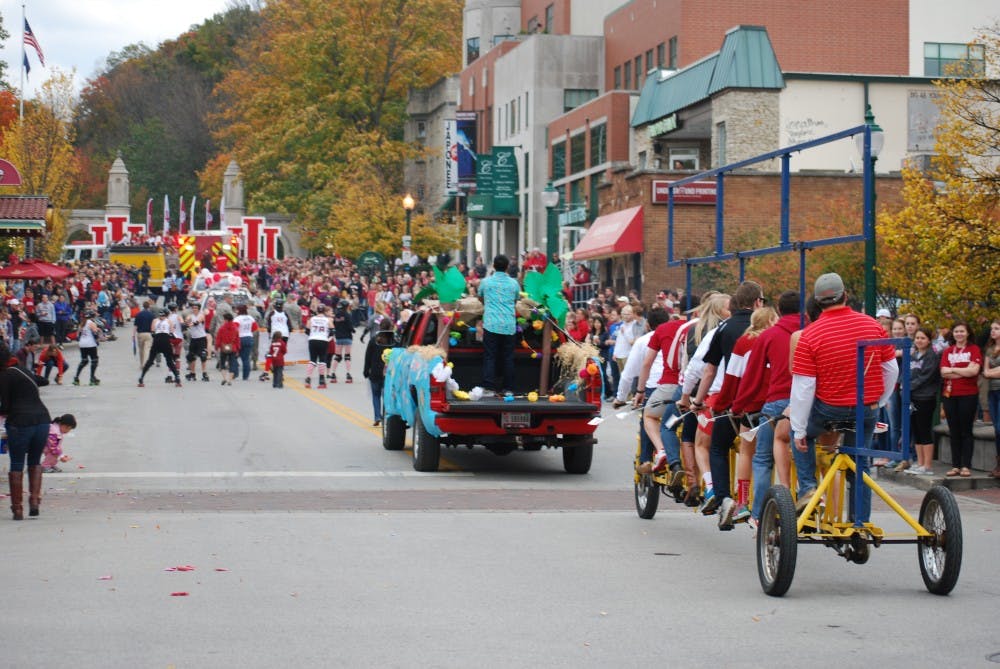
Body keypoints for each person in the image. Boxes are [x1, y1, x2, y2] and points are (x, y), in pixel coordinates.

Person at [789, 273, 897, 525]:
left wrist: (799, 429)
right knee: (860, 465)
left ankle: (808, 488)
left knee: (802, 435)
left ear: (818, 302)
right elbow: (891, 370)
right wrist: (879, 401)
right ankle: (860, 523)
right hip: (866, 409)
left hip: (829, 409)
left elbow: (804, 387)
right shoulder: (873, 326)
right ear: (845, 296)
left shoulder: (810, 335)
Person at [692, 281, 766, 528]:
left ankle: (725, 497)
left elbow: (710, 369)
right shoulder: (767, 329)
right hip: (769, 402)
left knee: (718, 446)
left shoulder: (724, 328)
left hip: (736, 400)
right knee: (761, 453)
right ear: (757, 302)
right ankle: (756, 502)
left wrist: (702, 401)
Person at [732, 290, 801, 526]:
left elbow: (752, 375)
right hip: (807, 401)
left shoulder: (769, 335)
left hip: (777, 401)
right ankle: (809, 499)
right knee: (807, 453)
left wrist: (738, 405)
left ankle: (759, 513)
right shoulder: (812, 332)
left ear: (779, 310)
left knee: (762, 458)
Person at [0, 340, 52, 520]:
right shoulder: (23, 369)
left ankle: (17, 509)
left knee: (16, 463)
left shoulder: (5, 375)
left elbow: (5, 406)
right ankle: (34, 501)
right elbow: (42, 382)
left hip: (20, 423)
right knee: (35, 461)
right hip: (43, 420)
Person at [939, 321, 982, 478]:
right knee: (954, 430)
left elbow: (974, 372)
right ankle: (955, 465)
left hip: (968, 394)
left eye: (962, 331)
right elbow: (943, 372)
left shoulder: (974, 349)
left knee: (966, 430)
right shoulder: (948, 351)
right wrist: (964, 371)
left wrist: (952, 370)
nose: (959, 334)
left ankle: (966, 465)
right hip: (950, 395)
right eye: (956, 331)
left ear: (968, 333)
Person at [478, 254, 520, 396]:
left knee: (490, 356)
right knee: (508, 357)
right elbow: (515, 300)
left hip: (491, 323)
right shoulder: (514, 283)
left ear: (494, 266)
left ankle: (489, 387)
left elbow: (480, 297)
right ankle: (508, 388)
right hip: (509, 325)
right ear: (507, 267)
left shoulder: (486, 282)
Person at [904, 326, 941, 475]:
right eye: (917, 338)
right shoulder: (913, 354)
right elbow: (906, 372)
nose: (919, 340)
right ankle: (919, 463)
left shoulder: (932, 355)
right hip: (912, 397)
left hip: (926, 397)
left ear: (929, 340)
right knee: (916, 431)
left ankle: (927, 465)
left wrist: (909, 386)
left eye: (923, 338)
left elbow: (926, 376)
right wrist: (904, 385)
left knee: (924, 430)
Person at [138, 308, 182, 388]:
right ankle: (177, 378)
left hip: (157, 340)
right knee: (169, 361)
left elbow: (152, 332)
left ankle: (141, 377)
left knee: (150, 360)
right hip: (165, 340)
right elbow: (172, 332)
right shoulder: (169, 321)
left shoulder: (155, 320)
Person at [363, 319, 395, 426]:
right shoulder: (394, 341)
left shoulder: (374, 340)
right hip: (388, 372)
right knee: (386, 395)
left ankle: (377, 416)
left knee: (375, 395)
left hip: (375, 372)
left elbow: (368, 357)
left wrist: (366, 370)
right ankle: (386, 416)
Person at [983, 319, 1000, 478]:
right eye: (992, 328)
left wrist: (991, 372)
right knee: (996, 429)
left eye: (997, 328)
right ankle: (998, 463)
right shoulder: (990, 349)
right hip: (992, 392)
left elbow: (990, 372)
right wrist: (994, 372)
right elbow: (985, 372)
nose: (993, 331)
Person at [304, 305, 334, 389]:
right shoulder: (327, 320)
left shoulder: (312, 319)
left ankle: (308, 379)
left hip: (313, 339)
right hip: (323, 340)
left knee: (312, 360)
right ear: (324, 311)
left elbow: (307, 330)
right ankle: (321, 380)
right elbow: (332, 331)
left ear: (317, 311)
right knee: (322, 360)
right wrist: (326, 336)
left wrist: (313, 335)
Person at [73, 310, 102, 386]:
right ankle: (92, 378)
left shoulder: (81, 323)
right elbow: (95, 334)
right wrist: (98, 338)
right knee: (94, 360)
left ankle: (76, 378)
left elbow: (77, 336)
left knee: (84, 361)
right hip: (90, 344)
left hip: (82, 344)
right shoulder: (91, 323)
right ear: (92, 316)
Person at [330, 298, 355, 383]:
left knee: (337, 356)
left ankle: (333, 374)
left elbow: (334, 325)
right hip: (347, 337)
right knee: (347, 356)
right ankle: (348, 374)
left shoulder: (336, 315)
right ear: (346, 306)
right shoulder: (348, 315)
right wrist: (353, 330)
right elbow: (350, 326)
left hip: (339, 337)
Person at [185, 303, 210, 382]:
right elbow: (187, 320)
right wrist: (187, 321)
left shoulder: (201, 315)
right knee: (191, 356)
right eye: (193, 308)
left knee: (203, 356)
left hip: (201, 338)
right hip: (194, 339)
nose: (194, 309)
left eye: (196, 308)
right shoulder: (190, 315)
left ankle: (204, 373)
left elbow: (197, 322)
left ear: (199, 309)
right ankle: (192, 373)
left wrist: (190, 324)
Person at [233, 304, 258, 381]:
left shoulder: (237, 319)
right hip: (249, 337)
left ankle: (235, 373)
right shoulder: (250, 318)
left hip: (239, 338)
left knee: (233, 357)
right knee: (246, 358)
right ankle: (245, 376)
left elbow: (234, 329)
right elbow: (255, 328)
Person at [214, 312, 240, 386]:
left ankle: (224, 378)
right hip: (233, 348)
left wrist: (216, 347)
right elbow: (237, 340)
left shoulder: (222, 328)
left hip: (223, 348)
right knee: (232, 364)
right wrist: (238, 348)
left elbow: (218, 339)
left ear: (226, 320)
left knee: (222, 363)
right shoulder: (235, 328)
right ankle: (230, 380)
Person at [133, 300, 155, 369]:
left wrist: (133, 334)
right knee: (147, 349)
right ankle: (145, 364)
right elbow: (153, 325)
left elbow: (135, 325)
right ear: (149, 306)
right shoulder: (152, 315)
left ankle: (141, 364)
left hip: (140, 334)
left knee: (141, 350)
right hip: (149, 334)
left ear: (143, 306)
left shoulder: (139, 314)